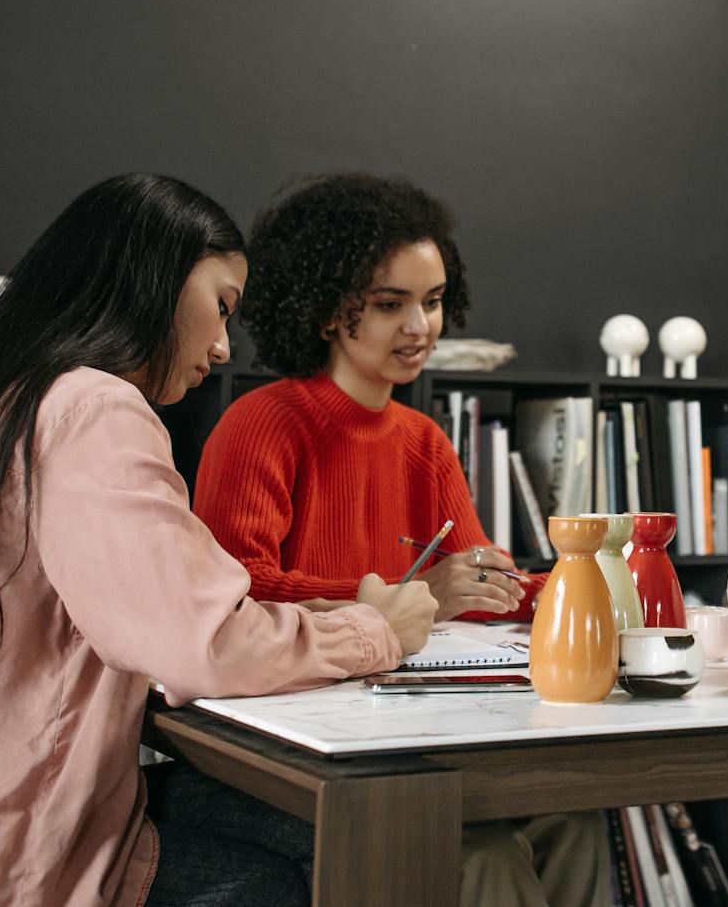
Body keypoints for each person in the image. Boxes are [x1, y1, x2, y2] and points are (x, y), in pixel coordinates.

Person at [0, 174, 436, 907]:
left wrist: (318, 617)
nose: (223, 346)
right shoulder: (92, 407)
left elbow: (162, 603)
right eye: (220, 306)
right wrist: (377, 630)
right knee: (352, 850)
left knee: (309, 826)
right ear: (152, 278)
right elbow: (201, 641)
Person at [193, 172, 607, 907]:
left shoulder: (425, 441)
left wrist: (594, 589)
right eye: (390, 304)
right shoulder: (262, 423)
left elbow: (483, 590)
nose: (420, 326)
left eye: (434, 300)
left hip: (410, 727)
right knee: (480, 850)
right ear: (326, 309)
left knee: (575, 816)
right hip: (298, 737)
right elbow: (233, 592)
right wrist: (407, 598)